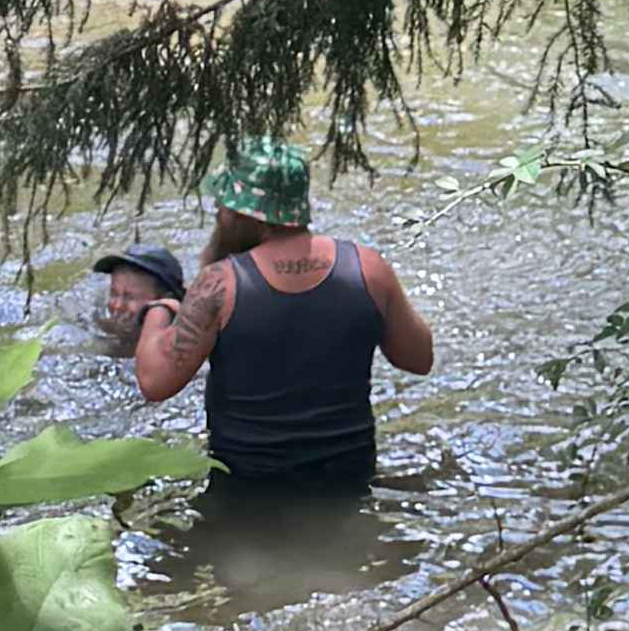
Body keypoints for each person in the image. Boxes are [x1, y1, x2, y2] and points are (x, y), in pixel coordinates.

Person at [90, 139, 433, 495]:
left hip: (250, 488)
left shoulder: (219, 285)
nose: (219, 213)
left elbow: (153, 382)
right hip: (348, 477)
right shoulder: (368, 269)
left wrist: (157, 310)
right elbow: (419, 359)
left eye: (223, 205)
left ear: (246, 214)